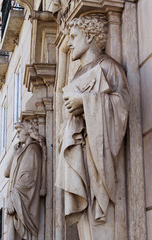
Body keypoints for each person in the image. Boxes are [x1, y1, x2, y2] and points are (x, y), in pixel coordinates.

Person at [56, 14, 130, 240]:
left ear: (89, 37)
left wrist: (85, 102)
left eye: (74, 36)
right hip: (81, 157)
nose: (69, 43)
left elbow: (121, 105)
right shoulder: (79, 72)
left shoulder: (109, 67)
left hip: (100, 159)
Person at [5, 121, 43, 240]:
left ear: (27, 131)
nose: (17, 135)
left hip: (21, 202)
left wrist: (13, 198)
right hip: (16, 201)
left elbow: (27, 179)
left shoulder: (32, 149)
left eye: (19, 131)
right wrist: (14, 153)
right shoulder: (22, 151)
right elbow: (7, 173)